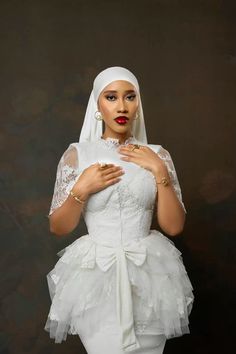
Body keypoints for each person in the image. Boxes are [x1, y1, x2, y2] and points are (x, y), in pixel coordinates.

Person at [44, 66, 194, 354]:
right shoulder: (78, 154)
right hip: (97, 280)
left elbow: (173, 227)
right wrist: (81, 189)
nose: (122, 106)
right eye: (111, 97)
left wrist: (159, 170)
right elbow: (58, 227)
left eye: (130, 97)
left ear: (138, 103)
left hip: (149, 281)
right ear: (97, 105)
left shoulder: (158, 154)